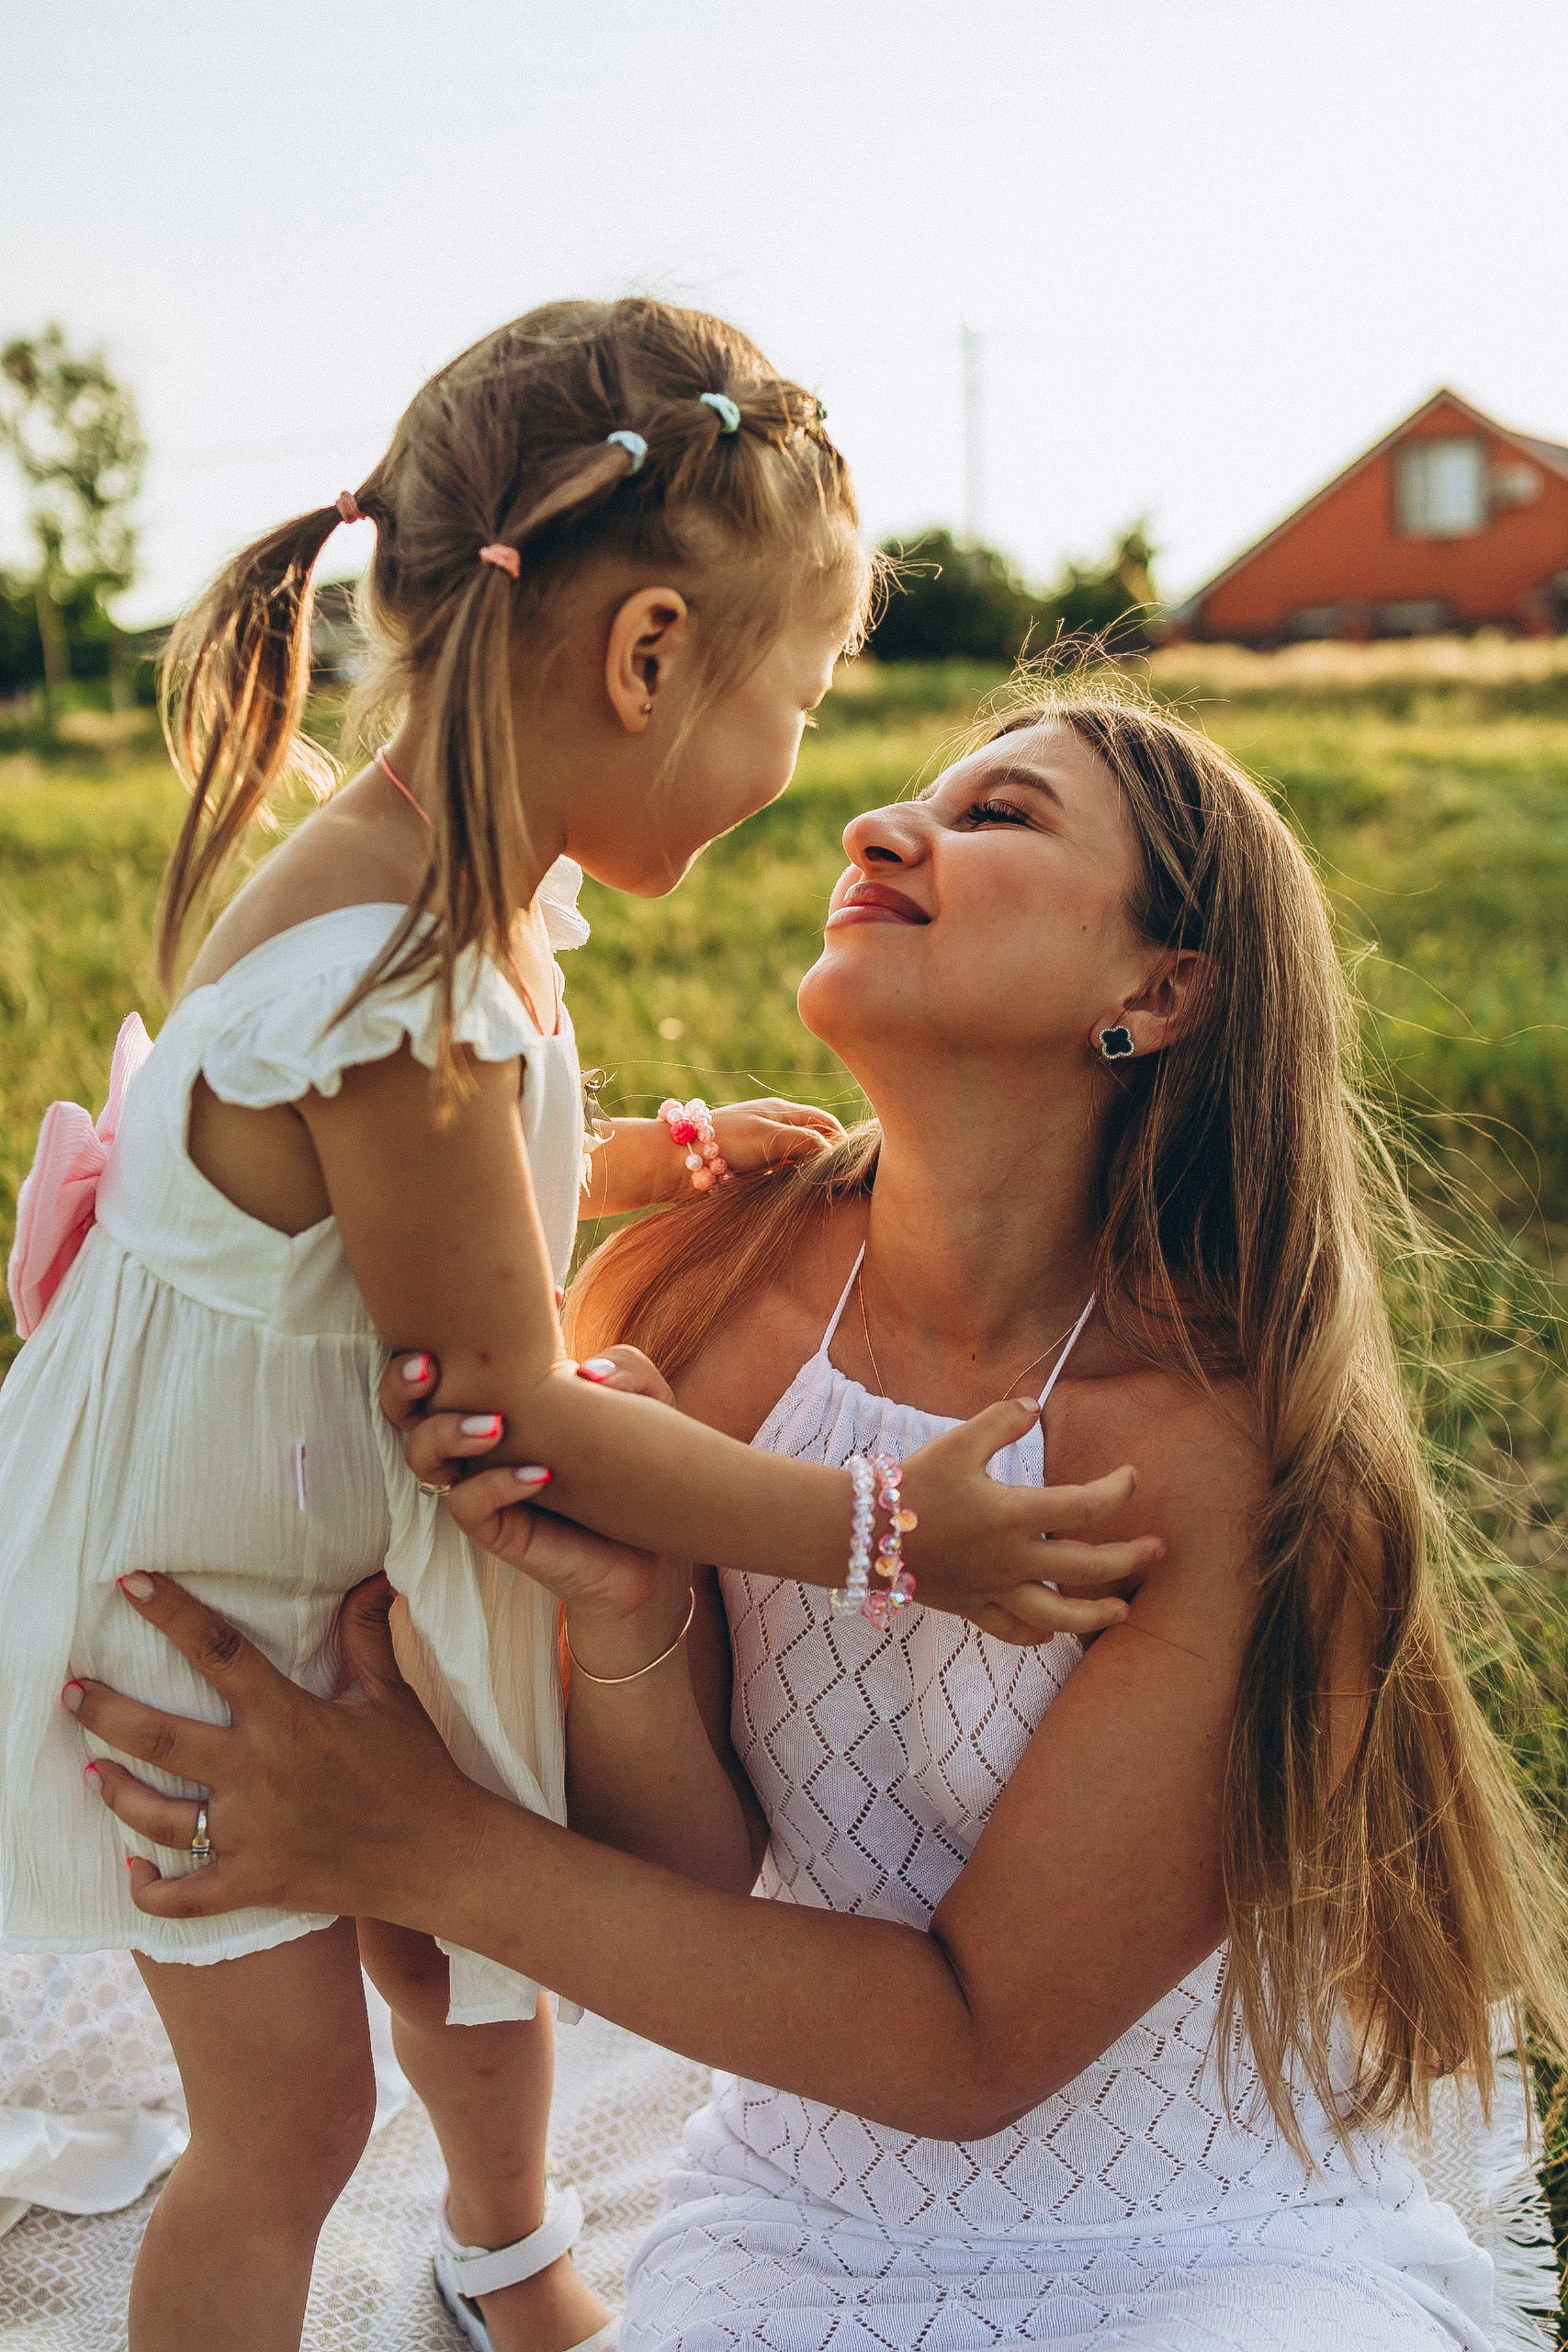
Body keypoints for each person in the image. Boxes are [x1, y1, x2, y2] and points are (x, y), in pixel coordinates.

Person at [71, 686, 1568, 2349]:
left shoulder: (1247, 1472)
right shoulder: (709, 1301)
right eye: (910, 800)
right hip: (798, 2215)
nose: (877, 829)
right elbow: (699, 1869)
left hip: (1214, 2236)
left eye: (1002, 815)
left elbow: (973, 2047)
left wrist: (418, 1842)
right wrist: (630, 1614)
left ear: (1159, 991)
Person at [0, 305, 1146, 2352]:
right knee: (283, 2121)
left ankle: (509, 2245)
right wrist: (891, 1531)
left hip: (304, 1529)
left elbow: (420, 1206)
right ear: (645, 660)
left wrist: (650, 1152)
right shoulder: (410, 973)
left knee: (465, 1940)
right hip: (179, 1620)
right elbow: (519, 1401)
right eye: (796, 693)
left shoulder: (448, 900)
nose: (800, 761)